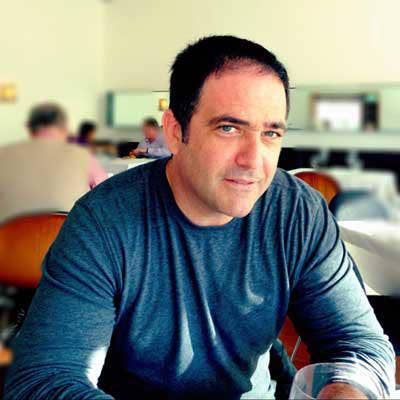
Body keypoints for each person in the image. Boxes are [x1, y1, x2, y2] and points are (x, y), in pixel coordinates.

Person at [5, 36, 395, 399]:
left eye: (271, 134)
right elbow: (45, 377)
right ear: (175, 131)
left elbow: (360, 345)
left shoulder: (297, 213)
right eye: (229, 128)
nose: (254, 160)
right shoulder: (103, 222)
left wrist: (347, 388)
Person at [0, 103, 107, 223]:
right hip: (69, 233)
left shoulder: (3, 155)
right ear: (65, 128)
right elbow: (106, 197)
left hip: (9, 233)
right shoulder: (84, 157)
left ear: (29, 128)